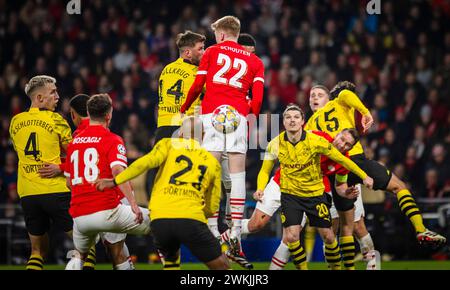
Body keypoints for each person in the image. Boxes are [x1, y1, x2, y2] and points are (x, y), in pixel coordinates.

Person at [305, 82, 446, 264]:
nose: (314, 97)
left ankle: (367, 264)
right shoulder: (334, 106)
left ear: (328, 97)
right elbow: (347, 94)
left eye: (318, 94)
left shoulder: (312, 124)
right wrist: (365, 112)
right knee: (395, 190)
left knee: (349, 226)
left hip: (337, 172)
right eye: (312, 95)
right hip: (353, 163)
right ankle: (419, 229)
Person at [180, 16, 265, 261]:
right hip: (238, 114)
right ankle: (236, 229)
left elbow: (198, 85)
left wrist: (185, 107)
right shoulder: (255, 61)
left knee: (210, 170)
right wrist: (250, 117)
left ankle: (211, 227)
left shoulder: (212, 52)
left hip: (213, 113)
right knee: (238, 174)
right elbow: (257, 99)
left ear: (222, 34)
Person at [96, 116, 230, 270]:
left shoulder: (167, 144)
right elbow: (212, 207)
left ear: (179, 133)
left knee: (171, 262)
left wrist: (114, 181)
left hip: (159, 220)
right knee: (223, 266)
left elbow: (143, 163)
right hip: (190, 218)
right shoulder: (212, 162)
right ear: (204, 136)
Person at [220, 127, 362, 270]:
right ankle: (220, 239)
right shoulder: (319, 137)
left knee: (290, 238)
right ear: (337, 135)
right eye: (342, 139)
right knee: (256, 225)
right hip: (280, 183)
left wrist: (345, 192)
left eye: (348, 144)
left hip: (303, 194)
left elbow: (340, 185)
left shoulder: (344, 162)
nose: (342, 145)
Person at [255, 104, 373, 270]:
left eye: (296, 117)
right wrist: (260, 188)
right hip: (290, 196)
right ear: (284, 122)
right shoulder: (274, 144)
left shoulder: (316, 140)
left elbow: (343, 160)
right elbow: (264, 170)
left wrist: (364, 176)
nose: (292, 120)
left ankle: (336, 268)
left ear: (303, 121)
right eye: (288, 117)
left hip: (315, 195)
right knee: (292, 235)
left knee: (328, 237)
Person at [39, 93, 135, 270]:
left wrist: (60, 168)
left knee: (81, 252)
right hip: (115, 195)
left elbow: (76, 172)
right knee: (116, 251)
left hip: (98, 200)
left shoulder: (77, 135)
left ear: (74, 114)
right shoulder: (105, 132)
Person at [64, 93, 150, 270]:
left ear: (88, 112)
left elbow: (69, 183)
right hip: (107, 212)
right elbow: (119, 171)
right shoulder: (112, 139)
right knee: (160, 221)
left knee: (79, 255)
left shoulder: (73, 143)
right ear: (108, 115)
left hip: (79, 218)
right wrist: (133, 205)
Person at [9, 75, 74, 270]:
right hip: (56, 190)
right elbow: (73, 156)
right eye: (52, 92)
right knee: (84, 245)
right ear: (39, 98)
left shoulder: (15, 122)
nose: (57, 96)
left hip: (28, 194)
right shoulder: (56, 119)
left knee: (37, 252)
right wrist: (59, 166)